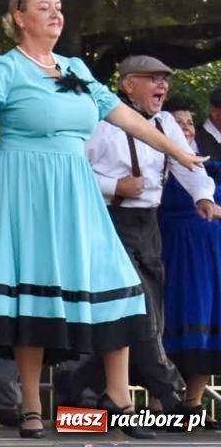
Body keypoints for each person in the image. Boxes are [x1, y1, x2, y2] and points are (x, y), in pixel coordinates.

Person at [0, 0, 204, 440]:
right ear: (20, 17)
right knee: (32, 292)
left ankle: (118, 396)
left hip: (75, 186)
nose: (56, 13)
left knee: (120, 283)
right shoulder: (8, 65)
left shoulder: (74, 67)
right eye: (44, 6)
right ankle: (31, 405)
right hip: (26, 186)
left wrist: (176, 151)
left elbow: (123, 114)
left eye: (59, 6)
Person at [67, 55, 217, 420]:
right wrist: (114, 185)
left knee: (147, 312)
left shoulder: (165, 122)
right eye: (152, 79)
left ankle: (76, 385)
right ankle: (170, 391)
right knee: (139, 305)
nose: (162, 86)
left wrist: (204, 196)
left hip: (149, 223)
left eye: (164, 79)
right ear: (128, 84)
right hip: (109, 219)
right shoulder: (100, 121)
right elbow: (72, 168)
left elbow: (188, 164)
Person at [159, 96, 221, 427]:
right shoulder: (158, 154)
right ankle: (157, 405)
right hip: (174, 245)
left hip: (212, 246)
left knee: (209, 318)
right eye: (178, 123)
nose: (186, 129)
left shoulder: (202, 152)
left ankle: (192, 405)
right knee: (170, 317)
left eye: (189, 123)